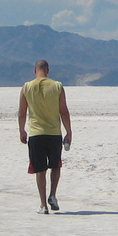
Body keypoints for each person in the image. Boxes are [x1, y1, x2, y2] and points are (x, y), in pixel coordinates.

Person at [18, 59, 72, 214]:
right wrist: (69, 132)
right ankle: (53, 195)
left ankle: (43, 205)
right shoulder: (57, 86)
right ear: (48, 71)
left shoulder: (27, 87)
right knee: (55, 166)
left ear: (35, 71)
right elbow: (64, 111)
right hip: (54, 133)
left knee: (40, 170)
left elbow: (22, 113)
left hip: (36, 134)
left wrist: (22, 130)